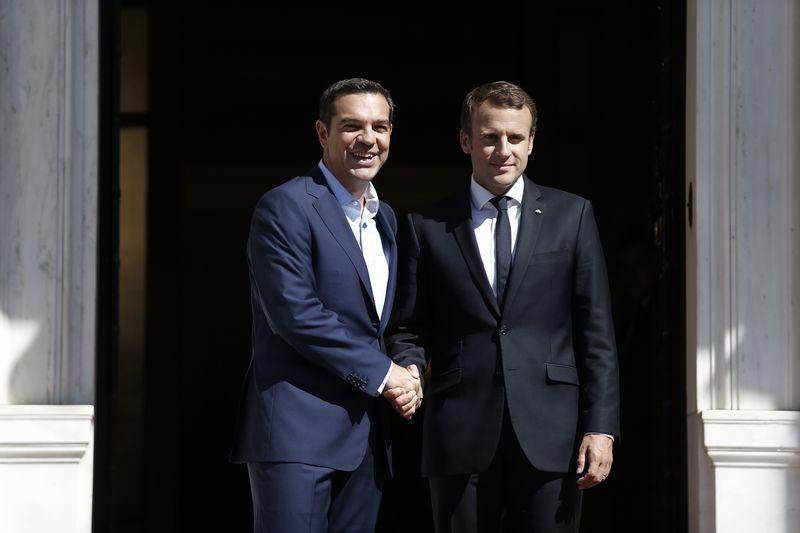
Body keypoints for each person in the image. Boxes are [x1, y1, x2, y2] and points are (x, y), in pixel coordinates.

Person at [389, 80, 620, 532]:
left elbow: (596, 333)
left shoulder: (571, 215)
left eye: (515, 137)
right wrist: (410, 368)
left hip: (553, 433)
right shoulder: (427, 226)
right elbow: (408, 327)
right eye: (490, 136)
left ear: (531, 142)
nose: (503, 149)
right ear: (465, 140)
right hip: (458, 432)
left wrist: (601, 428)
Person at [230, 77, 423, 533]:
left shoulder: (386, 219)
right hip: (298, 434)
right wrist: (384, 374)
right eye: (352, 126)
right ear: (322, 133)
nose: (368, 139)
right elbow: (296, 316)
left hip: (366, 440)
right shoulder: (286, 206)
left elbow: (388, 320)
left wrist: (410, 367)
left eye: (380, 126)